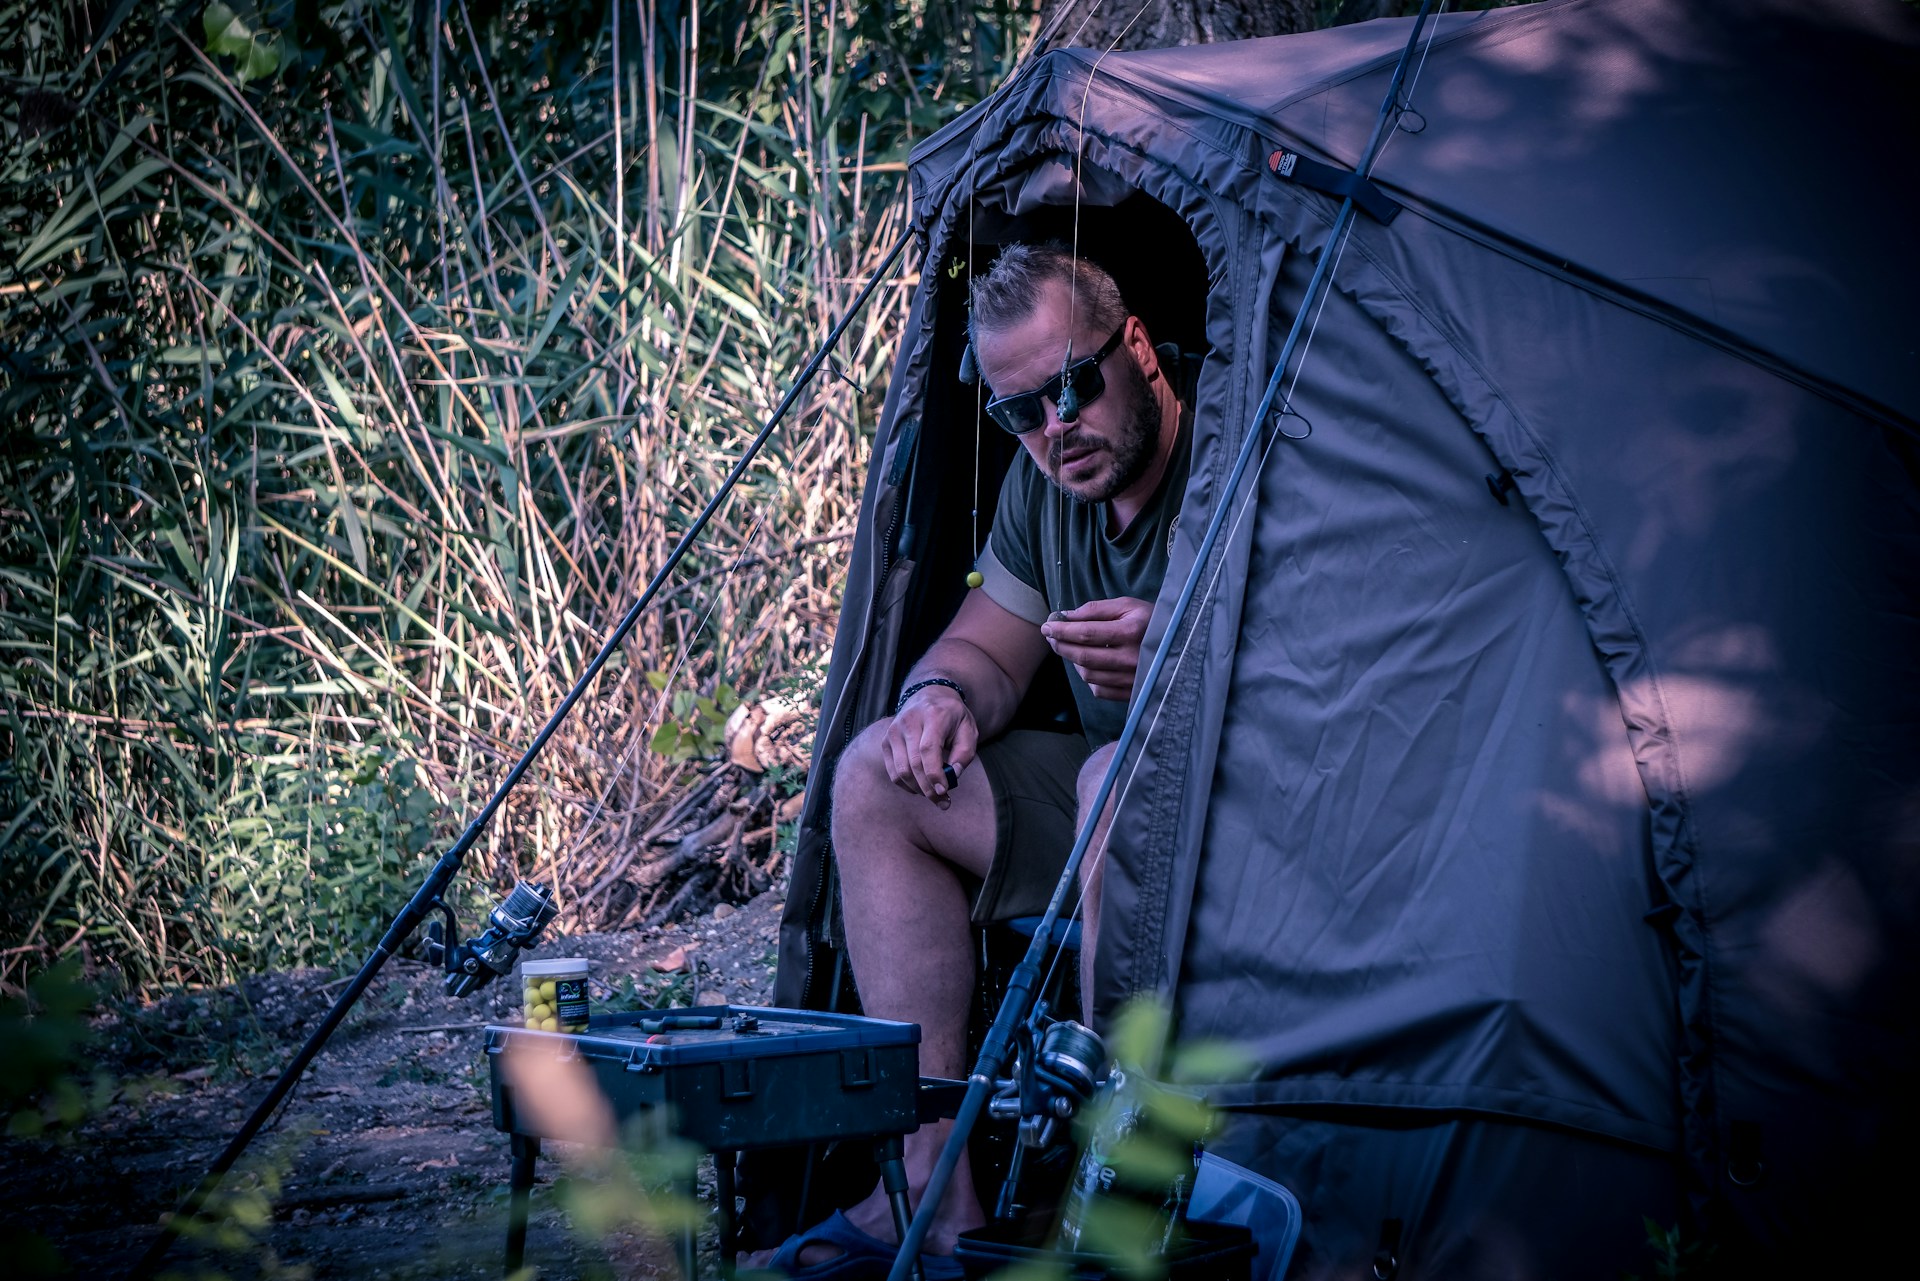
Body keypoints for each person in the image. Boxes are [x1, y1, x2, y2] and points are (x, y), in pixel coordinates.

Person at [762, 243, 1194, 1277]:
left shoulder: (1237, 442)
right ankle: (928, 1193)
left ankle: (1107, 1192)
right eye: (1021, 414)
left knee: (1107, 778)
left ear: (1136, 346)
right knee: (877, 774)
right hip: (1109, 811)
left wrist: (1192, 654)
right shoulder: (1045, 487)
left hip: (1267, 809)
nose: (1057, 429)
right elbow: (984, 648)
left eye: (1075, 387)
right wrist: (939, 699)